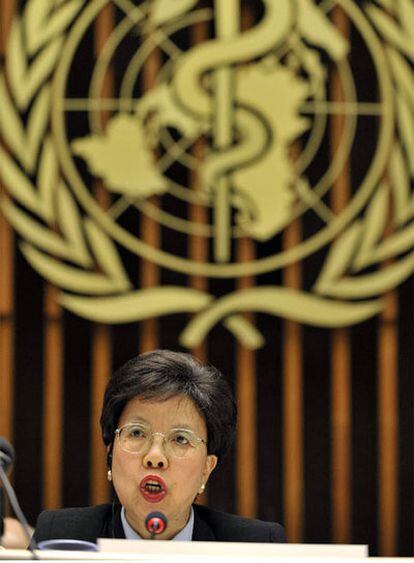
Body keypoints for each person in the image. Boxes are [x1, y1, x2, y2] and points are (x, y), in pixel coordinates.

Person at [33, 350, 285, 543]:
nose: (155, 457)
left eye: (180, 439)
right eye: (137, 433)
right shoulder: (61, 536)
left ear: (207, 468)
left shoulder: (254, 545)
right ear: (110, 455)